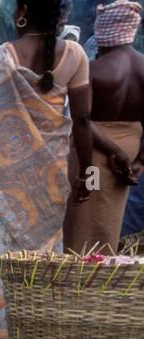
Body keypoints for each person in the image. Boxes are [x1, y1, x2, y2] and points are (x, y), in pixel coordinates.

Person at [0, 0, 94, 339]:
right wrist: (86, 175)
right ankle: (36, 331)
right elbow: (83, 122)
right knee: (40, 253)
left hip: (0, 179)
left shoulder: (0, 57)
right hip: (49, 175)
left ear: (22, 12)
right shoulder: (75, 55)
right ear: (61, 16)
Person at [64, 1, 144, 252]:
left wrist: (93, 166)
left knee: (83, 216)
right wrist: (139, 159)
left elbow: (83, 120)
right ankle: (101, 278)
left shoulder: (93, 70)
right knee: (107, 220)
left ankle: (77, 279)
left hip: (96, 157)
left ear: (104, 30)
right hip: (128, 158)